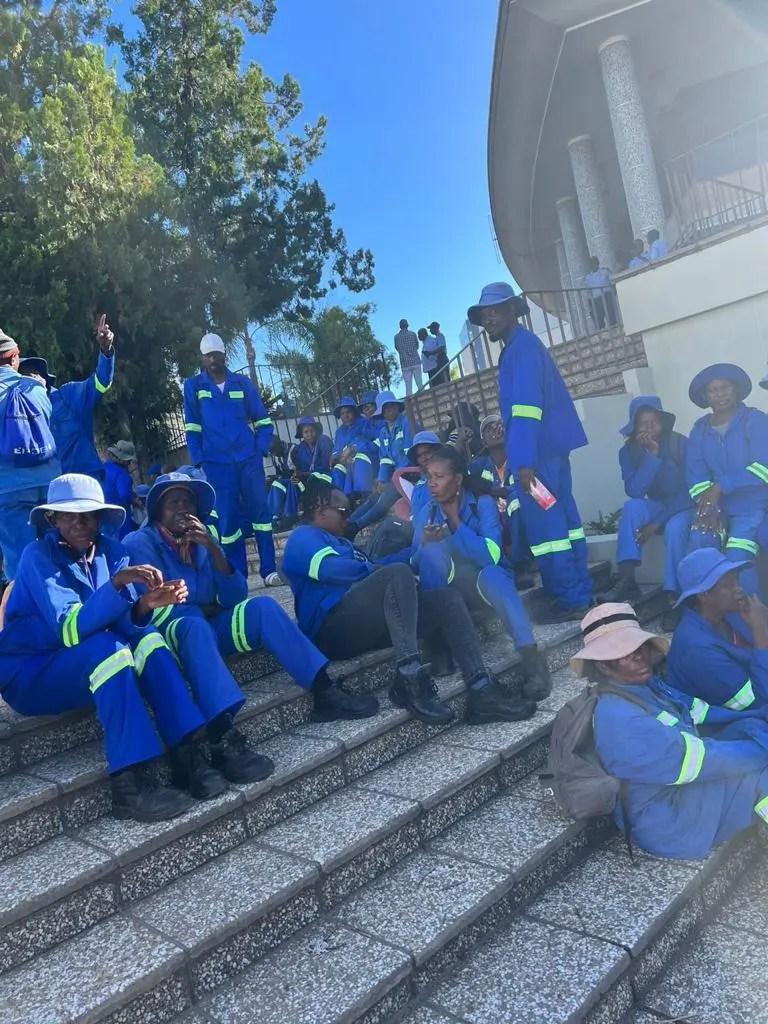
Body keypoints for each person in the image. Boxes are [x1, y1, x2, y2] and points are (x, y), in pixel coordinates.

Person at [0, 474, 276, 823]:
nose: (79, 522)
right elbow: (70, 629)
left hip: (82, 658)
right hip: (32, 672)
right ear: (51, 519)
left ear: (100, 517)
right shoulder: (37, 557)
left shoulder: (113, 551)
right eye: (67, 515)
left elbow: (127, 621)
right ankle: (129, 784)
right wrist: (117, 585)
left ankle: (185, 753)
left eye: (88, 514)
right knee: (110, 650)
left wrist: (146, 604)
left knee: (148, 640)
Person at [125, 473, 377, 721]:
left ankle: (324, 691)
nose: (182, 509)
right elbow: (157, 602)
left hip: (211, 627)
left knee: (264, 607)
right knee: (194, 623)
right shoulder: (139, 542)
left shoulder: (203, 539)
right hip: (176, 633)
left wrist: (213, 549)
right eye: (173, 503)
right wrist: (204, 607)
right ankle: (222, 730)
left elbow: (235, 595)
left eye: (187, 502)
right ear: (158, 511)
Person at [284, 478, 536, 725]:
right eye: (343, 511)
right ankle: (410, 678)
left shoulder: (342, 543)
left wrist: (421, 547)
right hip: (331, 631)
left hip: (364, 626)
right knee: (396, 574)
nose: (348, 517)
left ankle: (481, 690)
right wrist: (382, 570)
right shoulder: (303, 538)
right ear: (320, 510)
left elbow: (377, 567)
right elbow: (334, 570)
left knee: (446, 598)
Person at [574, 602, 768, 860]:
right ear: (603, 666)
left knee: (751, 729)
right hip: (668, 817)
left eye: (639, 647)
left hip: (679, 786)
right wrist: (761, 749)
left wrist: (758, 717)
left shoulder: (645, 685)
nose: (639, 657)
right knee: (761, 770)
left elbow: (697, 711)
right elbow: (699, 762)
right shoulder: (619, 718)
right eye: (624, 653)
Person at [468, 282, 593, 623]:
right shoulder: (522, 346)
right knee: (566, 523)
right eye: (484, 314)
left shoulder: (520, 349)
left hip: (536, 458)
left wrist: (522, 463)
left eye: (495, 310)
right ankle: (579, 592)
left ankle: (570, 599)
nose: (488, 319)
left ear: (512, 311)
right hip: (550, 452)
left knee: (548, 529)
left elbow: (525, 411)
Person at [412, 446, 551, 701]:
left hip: (480, 584)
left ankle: (531, 658)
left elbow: (491, 556)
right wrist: (425, 544)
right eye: (429, 477)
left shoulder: (482, 504)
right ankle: (438, 642)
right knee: (431, 555)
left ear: (458, 480)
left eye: (439, 477)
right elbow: (414, 561)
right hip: (449, 590)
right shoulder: (427, 511)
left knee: (494, 575)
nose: (432, 484)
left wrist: (456, 523)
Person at [183, 333, 280, 586]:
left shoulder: (242, 383)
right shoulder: (194, 386)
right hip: (216, 464)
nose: (213, 359)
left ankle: (269, 571)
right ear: (202, 358)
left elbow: (263, 421)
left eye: (217, 354)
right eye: (208, 355)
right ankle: (239, 575)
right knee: (227, 519)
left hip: (249, 460)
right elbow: (192, 428)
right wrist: (200, 462)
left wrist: (260, 450)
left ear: (225, 355)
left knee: (260, 513)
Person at [601, 396, 693, 626]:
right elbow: (634, 490)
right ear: (634, 426)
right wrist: (650, 457)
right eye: (643, 423)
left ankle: (675, 595)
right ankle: (627, 579)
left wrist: (656, 524)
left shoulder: (679, 443)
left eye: (654, 421)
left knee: (674, 528)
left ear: (662, 422)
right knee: (632, 508)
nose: (650, 428)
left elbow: (689, 491)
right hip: (657, 504)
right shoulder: (629, 452)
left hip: (683, 505)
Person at [686, 363, 768, 593]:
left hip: (752, 507)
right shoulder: (699, 430)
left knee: (737, 557)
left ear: (736, 390)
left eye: (725, 388)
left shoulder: (756, 420)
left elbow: (764, 467)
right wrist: (709, 507)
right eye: (713, 390)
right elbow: (696, 477)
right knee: (700, 549)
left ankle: (754, 620)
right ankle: (711, 618)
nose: (720, 394)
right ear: (705, 396)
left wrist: (723, 486)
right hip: (715, 508)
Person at [667, 549, 768, 714]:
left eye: (737, 580)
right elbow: (757, 703)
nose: (739, 589)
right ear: (704, 595)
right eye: (728, 585)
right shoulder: (696, 648)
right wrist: (760, 631)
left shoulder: (730, 616)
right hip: (727, 726)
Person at [19, 313, 115, 480]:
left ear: (44, 378)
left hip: (88, 485)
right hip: (52, 493)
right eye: (24, 376)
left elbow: (101, 382)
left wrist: (105, 351)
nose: (31, 378)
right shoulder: (18, 418)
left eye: (34, 372)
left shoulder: (67, 397)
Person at [0, 331, 60, 580]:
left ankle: (24, 613)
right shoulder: (36, 388)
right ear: (15, 357)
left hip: (9, 490)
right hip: (50, 486)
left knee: (19, 561)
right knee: (60, 553)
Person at [330, 396, 376, 498]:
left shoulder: (364, 423)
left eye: (348, 412)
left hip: (366, 463)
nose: (345, 416)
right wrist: (342, 459)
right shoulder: (339, 432)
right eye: (342, 413)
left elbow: (372, 445)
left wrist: (351, 449)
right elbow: (334, 455)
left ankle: (364, 497)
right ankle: (342, 502)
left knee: (359, 461)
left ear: (355, 412)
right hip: (346, 463)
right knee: (337, 469)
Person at [374, 390, 414, 487]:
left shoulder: (407, 423)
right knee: (373, 497)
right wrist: (381, 480)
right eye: (385, 407)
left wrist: (398, 475)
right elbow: (385, 460)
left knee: (386, 498)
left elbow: (411, 454)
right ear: (381, 412)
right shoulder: (383, 433)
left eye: (392, 405)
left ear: (398, 407)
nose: (389, 409)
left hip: (411, 474)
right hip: (397, 476)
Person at [584, 256, 617, 329]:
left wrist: (613, 294)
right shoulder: (588, 277)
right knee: (598, 319)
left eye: (594, 263)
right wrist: (590, 304)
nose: (592, 265)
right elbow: (588, 292)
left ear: (597, 263)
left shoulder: (605, 271)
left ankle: (615, 328)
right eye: (591, 264)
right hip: (596, 300)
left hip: (607, 296)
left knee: (612, 317)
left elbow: (613, 282)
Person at [394, 319, 423, 397]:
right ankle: (424, 397)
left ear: (400, 327)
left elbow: (397, 348)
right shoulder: (413, 334)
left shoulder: (396, 337)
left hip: (405, 363)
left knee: (408, 386)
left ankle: (410, 403)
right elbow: (417, 346)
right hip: (415, 361)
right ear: (407, 325)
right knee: (420, 384)